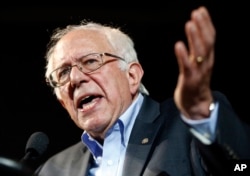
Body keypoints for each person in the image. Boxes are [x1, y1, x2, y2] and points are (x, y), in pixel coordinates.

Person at [36, 6, 250, 176]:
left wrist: (201, 114)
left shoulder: (188, 130)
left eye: (91, 61)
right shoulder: (51, 170)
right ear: (63, 103)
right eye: (63, 73)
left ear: (132, 76)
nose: (75, 78)